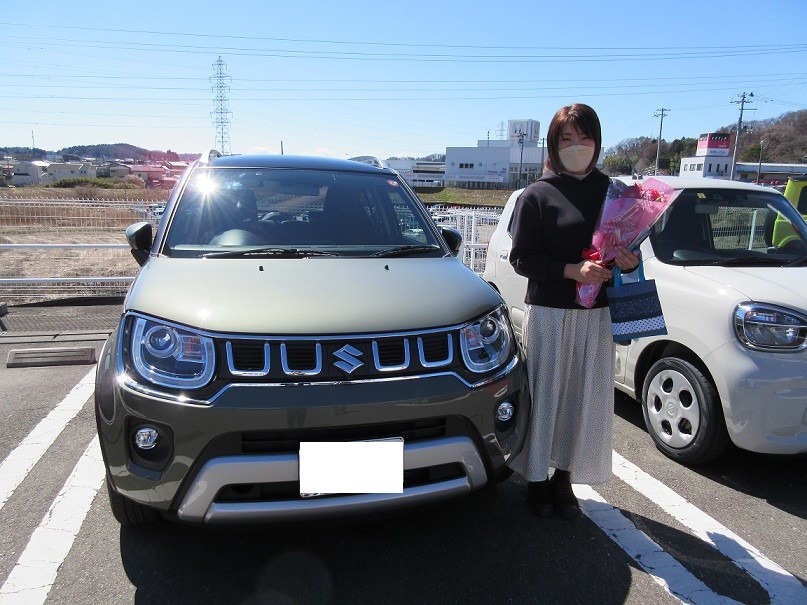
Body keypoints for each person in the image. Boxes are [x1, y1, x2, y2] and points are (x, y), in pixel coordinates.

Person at [507, 103, 639, 519]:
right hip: (550, 312)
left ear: (598, 142)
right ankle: (536, 478)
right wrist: (570, 270)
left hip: (597, 314)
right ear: (554, 145)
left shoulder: (615, 193)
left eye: (584, 138)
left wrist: (629, 261)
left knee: (581, 398)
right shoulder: (537, 195)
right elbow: (522, 259)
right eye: (567, 139)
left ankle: (563, 477)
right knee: (545, 394)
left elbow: (629, 252)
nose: (577, 146)